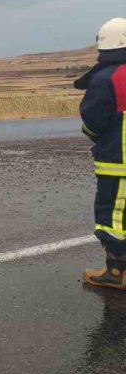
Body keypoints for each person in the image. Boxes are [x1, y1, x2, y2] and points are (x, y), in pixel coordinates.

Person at [79, 18, 126, 289]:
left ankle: (117, 273)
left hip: (118, 163)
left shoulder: (107, 77)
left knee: (112, 216)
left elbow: (93, 120)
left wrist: (96, 137)